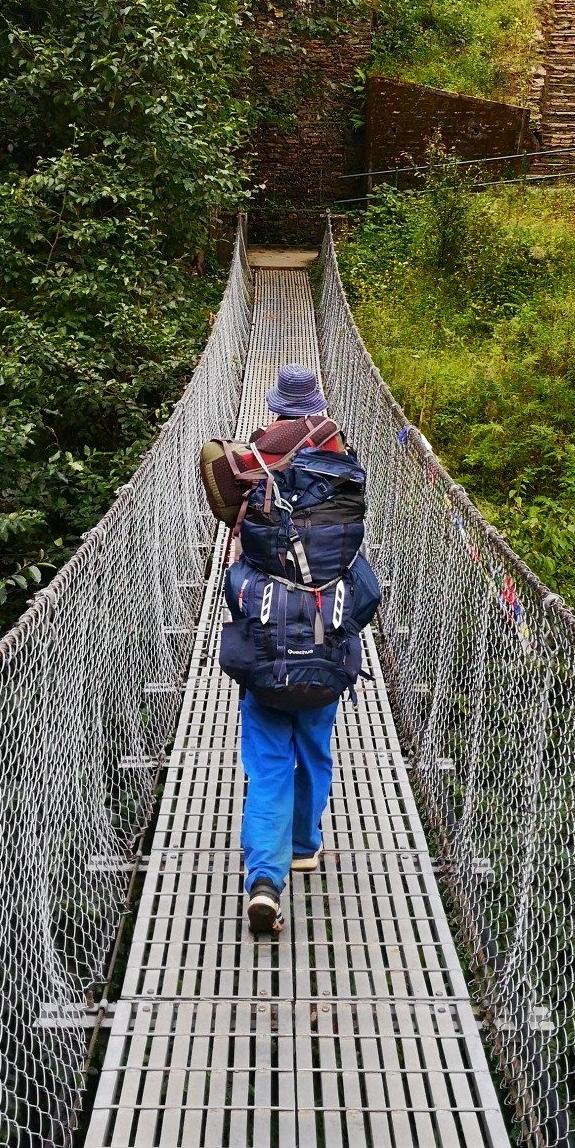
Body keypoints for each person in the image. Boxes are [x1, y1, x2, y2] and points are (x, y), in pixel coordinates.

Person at [238, 364, 344, 936]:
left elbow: (239, 579)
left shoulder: (253, 469)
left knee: (268, 765)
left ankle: (264, 878)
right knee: (314, 749)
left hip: (265, 651)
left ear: (276, 411)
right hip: (324, 650)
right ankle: (304, 844)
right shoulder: (342, 476)